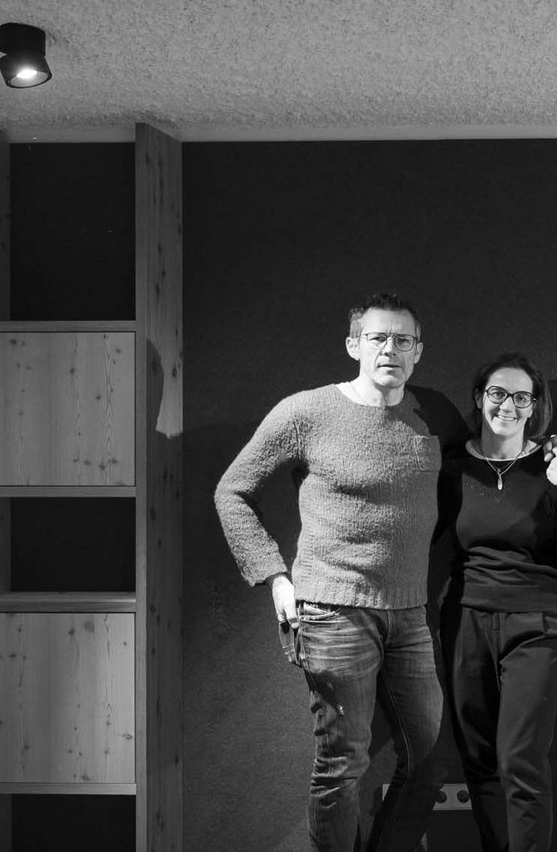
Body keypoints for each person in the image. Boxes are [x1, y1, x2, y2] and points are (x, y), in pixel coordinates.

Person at [214, 292, 462, 852]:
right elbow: (233, 491)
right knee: (342, 766)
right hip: (331, 612)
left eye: (403, 340)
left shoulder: (436, 412)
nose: (390, 350)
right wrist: (274, 575)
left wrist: (554, 449)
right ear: (354, 345)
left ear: (418, 351)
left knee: (428, 760)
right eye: (378, 338)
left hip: (410, 612)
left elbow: (481, 461)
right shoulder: (307, 412)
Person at [436, 353, 557, 852]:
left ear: (534, 405)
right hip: (466, 618)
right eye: (498, 394)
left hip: (540, 621)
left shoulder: (554, 462)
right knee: (479, 761)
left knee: (520, 760)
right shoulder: (450, 466)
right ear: (480, 399)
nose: (508, 404)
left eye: (521, 396)